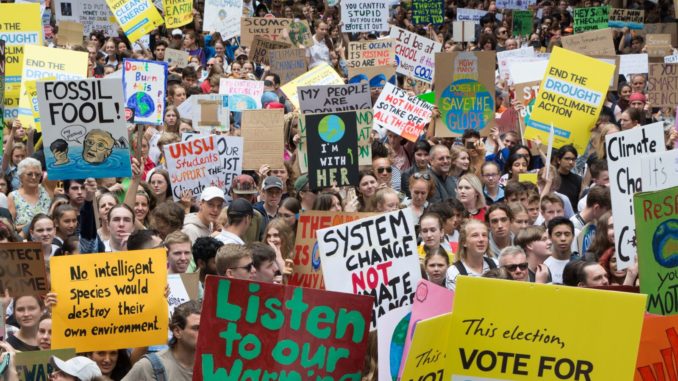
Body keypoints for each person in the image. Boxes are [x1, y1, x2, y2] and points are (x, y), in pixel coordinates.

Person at [122, 301, 201, 381]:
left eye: (206, 327)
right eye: (197, 328)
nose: (204, 332)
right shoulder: (148, 367)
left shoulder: (211, 367)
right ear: (177, 331)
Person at [445, 220, 497, 291]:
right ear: (464, 242)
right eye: (475, 235)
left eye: (484, 235)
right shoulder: (454, 272)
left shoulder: (496, 265)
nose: (481, 239)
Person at [8, 157, 51, 233]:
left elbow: (57, 167)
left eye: (37, 174)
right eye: (29, 174)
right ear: (21, 176)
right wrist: (32, 226)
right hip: (24, 241)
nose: (34, 177)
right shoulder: (13, 196)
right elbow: (10, 227)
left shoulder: (47, 188)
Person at [544, 217, 577, 284]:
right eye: (558, 234)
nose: (563, 238)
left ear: (573, 236)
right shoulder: (544, 264)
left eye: (567, 234)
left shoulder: (580, 263)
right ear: (550, 237)